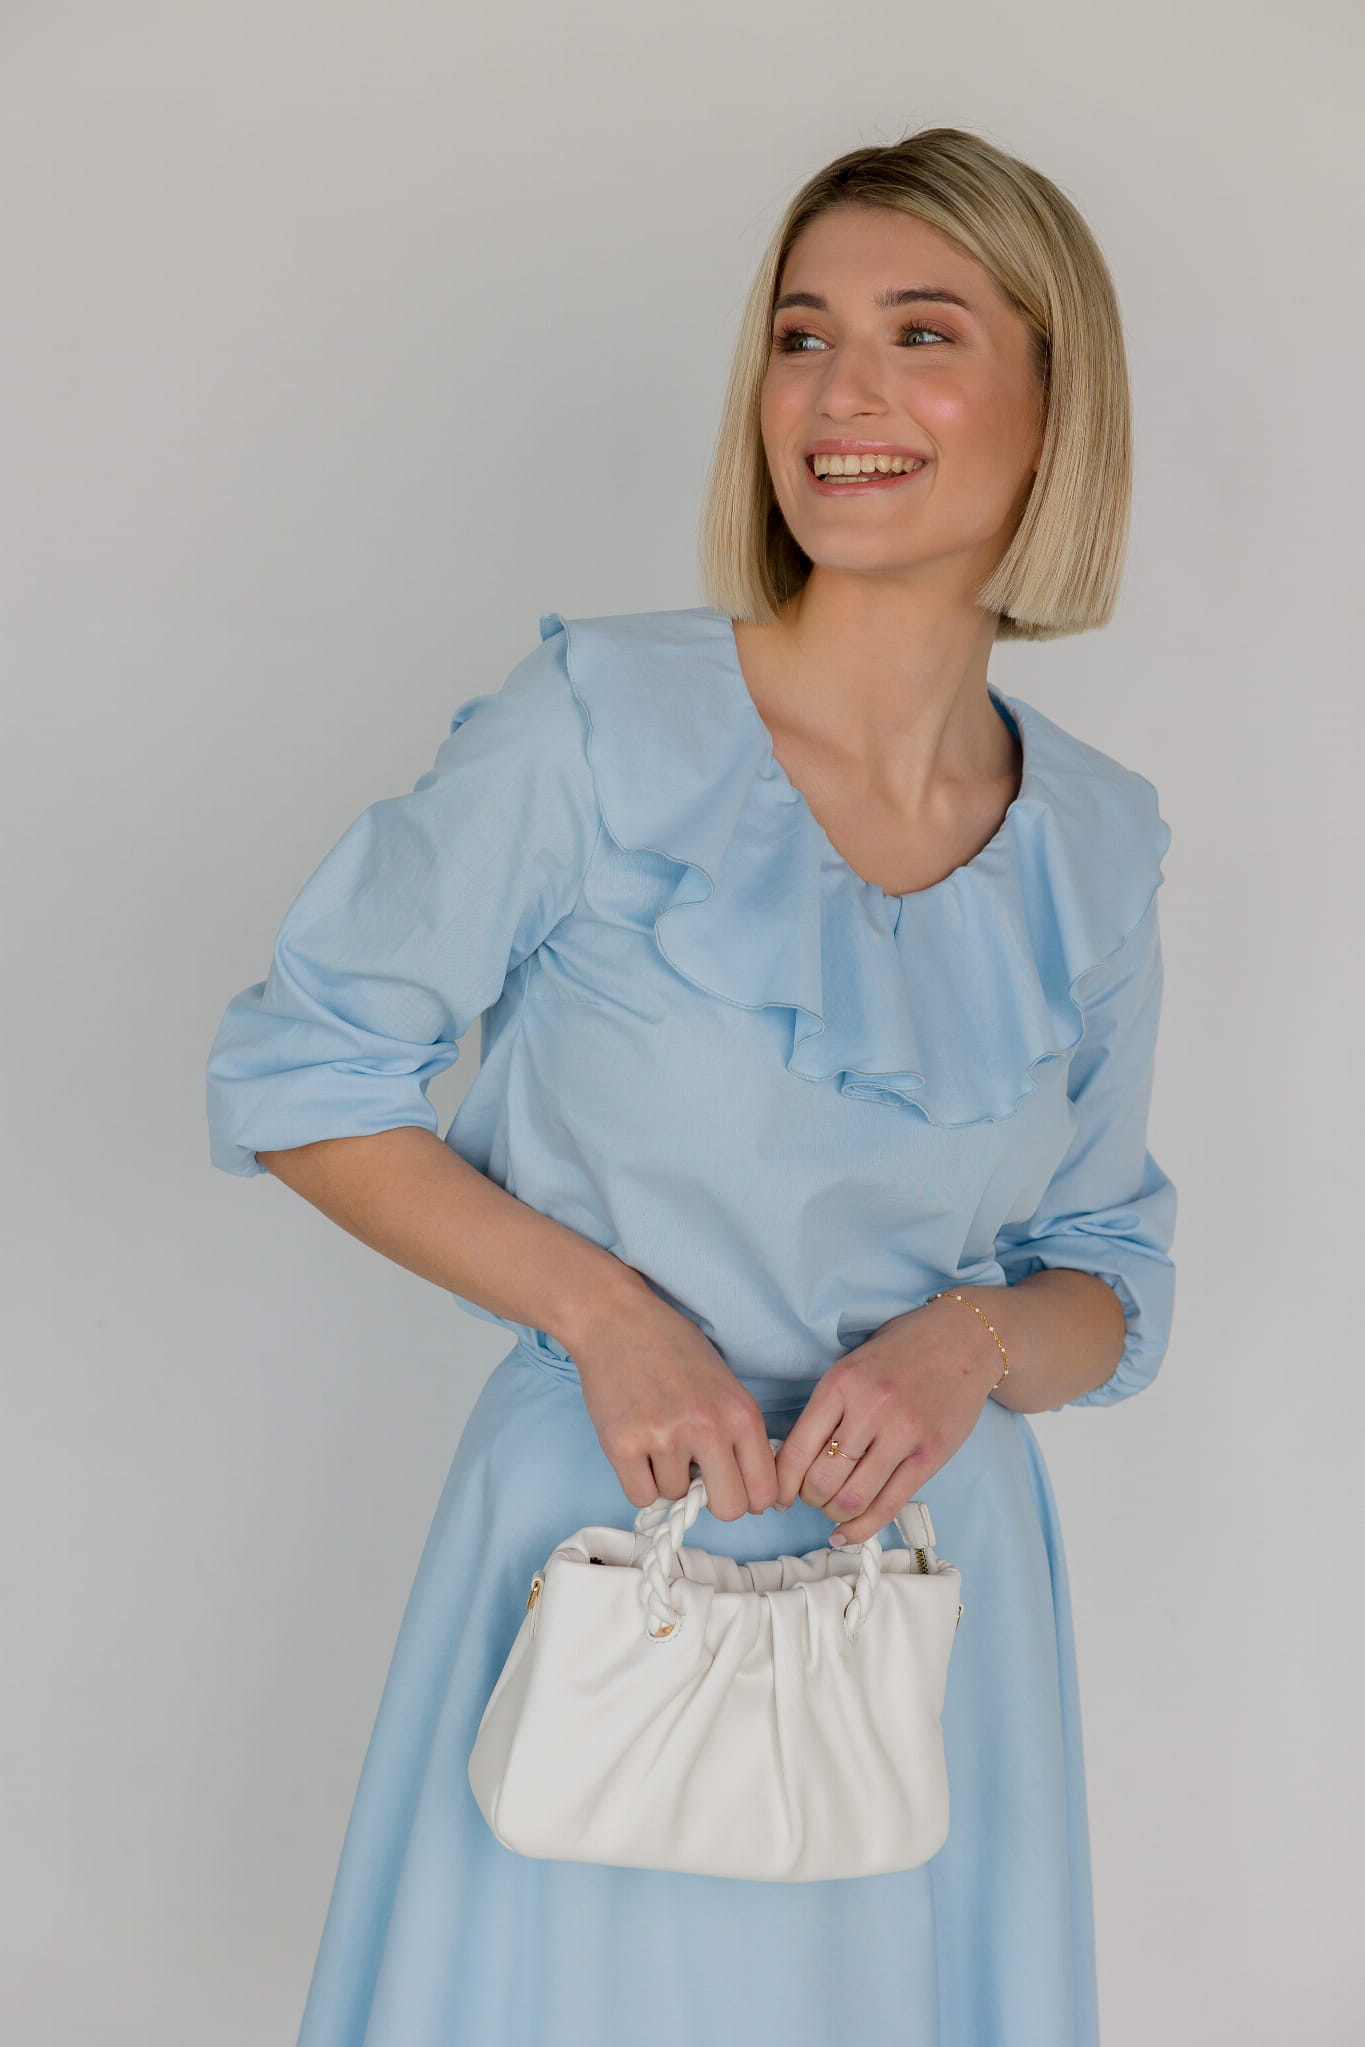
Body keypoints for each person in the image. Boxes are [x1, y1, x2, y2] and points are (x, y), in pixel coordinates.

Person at [205, 125, 1177, 2047]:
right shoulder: (591, 725)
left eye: (921, 333)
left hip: (927, 1588)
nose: (840, 394)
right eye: (801, 337)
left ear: (1055, 407)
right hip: (601, 1554)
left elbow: (1110, 1276)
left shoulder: (1097, 837)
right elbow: (303, 1075)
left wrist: (972, 1344)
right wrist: (607, 1319)